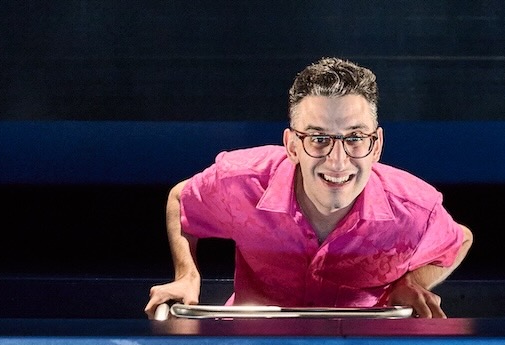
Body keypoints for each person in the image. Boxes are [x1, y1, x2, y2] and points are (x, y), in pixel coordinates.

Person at [143, 57, 474, 319]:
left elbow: (459, 239)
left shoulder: (415, 208)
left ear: (376, 145)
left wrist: (412, 282)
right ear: (291, 146)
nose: (337, 162)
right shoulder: (240, 181)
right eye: (318, 139)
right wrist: (187, 275)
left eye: (355, 138)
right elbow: (181, 199)